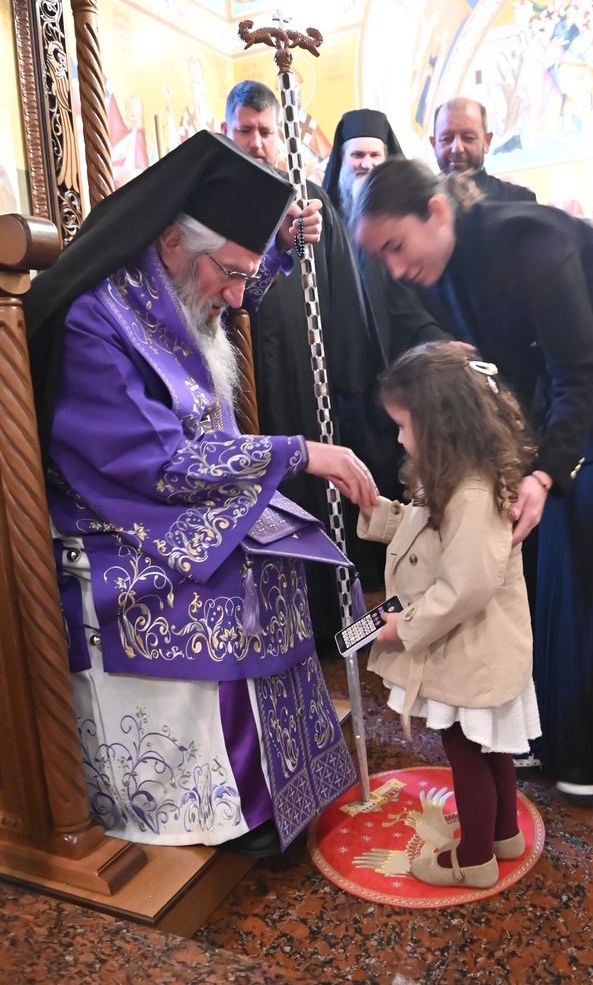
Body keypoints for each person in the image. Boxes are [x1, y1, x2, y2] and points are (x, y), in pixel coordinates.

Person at [23, 132, 380, 859]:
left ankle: (279, 786)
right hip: (108, 523)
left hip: (173, 504)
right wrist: (297, 453)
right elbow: (154, 461)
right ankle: (228, 808)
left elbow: (214, 309)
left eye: (248, 273)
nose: (240, 296)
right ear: (171, 242)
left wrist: (273, 259)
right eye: (233, 273)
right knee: (231, 577)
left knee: (281, 544)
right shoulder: (97, 319)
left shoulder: (177, 284)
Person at [352, 156, 593, 804]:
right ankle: (559, 732)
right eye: (380, 256)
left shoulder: (527, 243)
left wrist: (543, 473)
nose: (393, 268)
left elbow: (577, 372)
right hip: (578, 401)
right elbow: (514, 371)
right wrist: (519, 463)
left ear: (436, 213)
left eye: (395, 245)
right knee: (556, 558)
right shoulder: (438, 273)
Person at [357, 343, 540, 888]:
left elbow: (466, 586)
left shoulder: (472, 492)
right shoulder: (460, 477)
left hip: (470, 647)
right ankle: (503, 833)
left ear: (439, 424)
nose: (398, 439)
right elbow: (426, 534)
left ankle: (474, 858)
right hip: (476, 646)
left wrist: (404, 625)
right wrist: (374, 511)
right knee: (486, 745)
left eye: (403, 426)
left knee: (464, 748)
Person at [223, 80, 386, 618]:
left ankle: (331, 615)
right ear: (226, 129)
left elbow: (339, 287)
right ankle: (283, 620)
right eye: (245, 130)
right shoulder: (213, 200)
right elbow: (235, 291)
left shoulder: (308, 198)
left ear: (281, 135)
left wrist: (347, 379)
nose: (256, 142)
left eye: (266, 131)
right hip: (244, 380)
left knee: (319, 492)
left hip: (307, 377)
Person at [323, 108, 450, 362]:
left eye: (374, 155)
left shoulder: (408, 218)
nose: (366, 164)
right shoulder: (324, 218)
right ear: (342, 157)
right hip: (342, 356)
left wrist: (436, 341)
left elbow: (409, 300)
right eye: (357, 155)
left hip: (398, 352)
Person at [430, 97, 537, 202]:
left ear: (487, 142)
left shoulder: (518, 200)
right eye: (446, 139)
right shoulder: (421, 201)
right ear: (434, 144)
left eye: (468, 137)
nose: (457, 148)